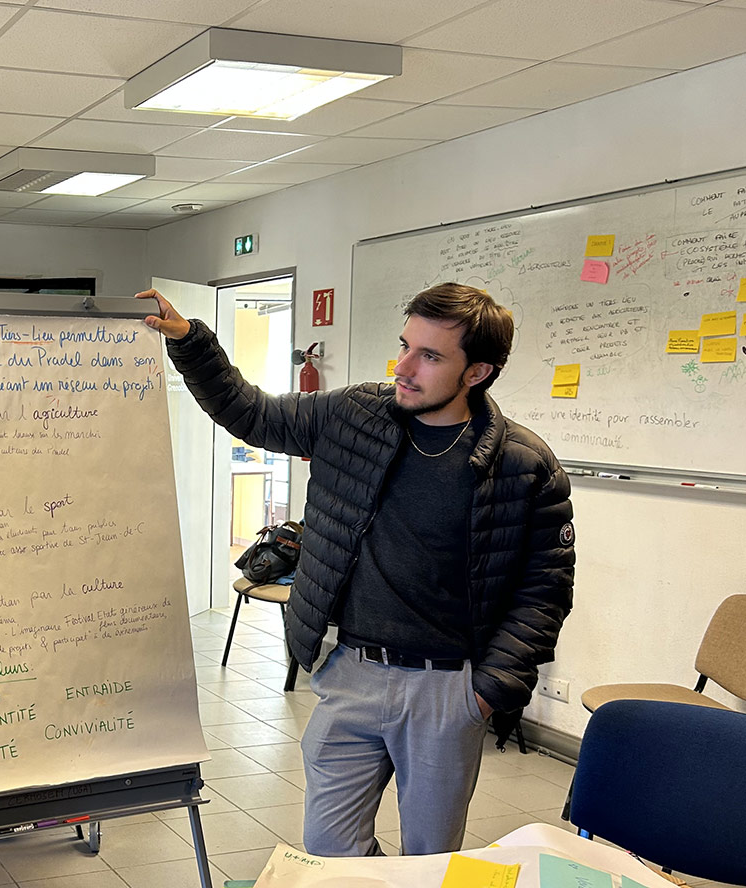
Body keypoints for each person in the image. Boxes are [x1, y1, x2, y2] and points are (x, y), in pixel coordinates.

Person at [138, 282, 574, 857]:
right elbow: (252, 413)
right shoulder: (354, 415)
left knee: (430, 862)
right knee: (330, 851)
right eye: (405, 346)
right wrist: (190, 341)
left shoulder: (523, 465)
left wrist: (487, 692)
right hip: (352, 673)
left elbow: (544, 591)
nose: (404, 367)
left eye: (430, 356)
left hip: (448, 689)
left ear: (477, 372)